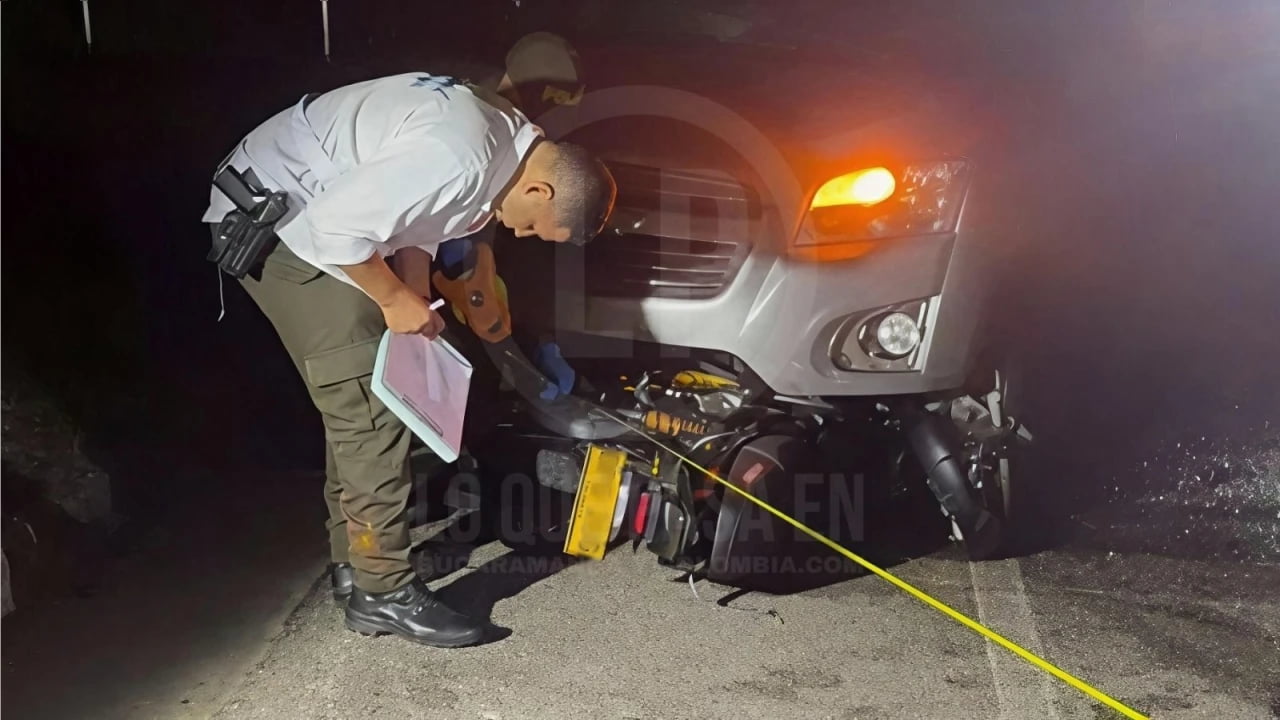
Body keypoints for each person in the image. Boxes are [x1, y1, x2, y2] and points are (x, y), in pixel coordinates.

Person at [201, 71, 616, 648]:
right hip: (278, 220)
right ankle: (382, 592)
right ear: (542, 191)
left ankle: (357, 563)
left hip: (310, 209)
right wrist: (394, 299)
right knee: (369, 413)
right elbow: (335, 228)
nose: (523, 236)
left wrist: (415, 291)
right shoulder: (461, 156)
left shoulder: (510, 147)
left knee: (369, 402)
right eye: (539, 230)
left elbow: (421, 218)